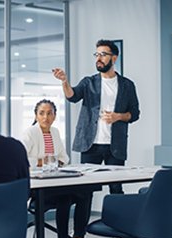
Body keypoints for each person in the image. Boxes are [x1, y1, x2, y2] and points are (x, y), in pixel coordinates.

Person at [52, 39, 140, 194]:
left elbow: (135, 113)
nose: (98, 58)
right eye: (97, 54)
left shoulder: (127, 85)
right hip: (90, 144)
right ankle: (82, 220)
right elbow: (72, 96)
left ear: (114, 58)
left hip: (115, 146)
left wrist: (118, 116)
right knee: (85, 191)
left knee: (116, 187)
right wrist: (64, 81)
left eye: (103, 54)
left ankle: (117, 219)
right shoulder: (89, 82)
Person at [20, 99, 90, 238]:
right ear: (36, 116)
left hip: (56, 181)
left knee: (84, 194)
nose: (46, 117)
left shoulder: (55, 132)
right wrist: (44, 162)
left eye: (49, 113)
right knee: (64, 199)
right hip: (38, 187)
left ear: (55, 116)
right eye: (41, 113)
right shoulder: (30, 133)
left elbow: (64, 158)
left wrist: (52, 161)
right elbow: (20, 158)